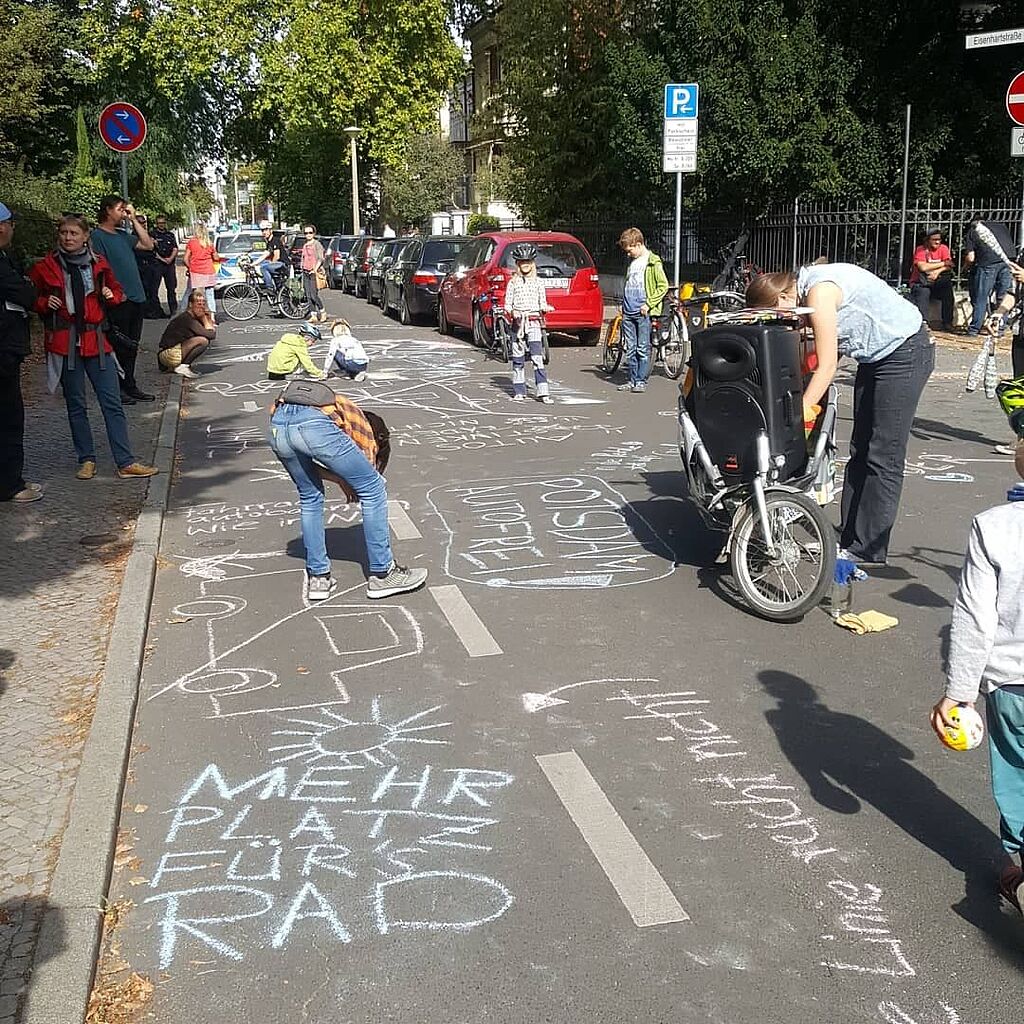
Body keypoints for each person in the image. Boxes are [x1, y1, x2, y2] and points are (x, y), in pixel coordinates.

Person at [746, 263, 933, 566]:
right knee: (861, 449)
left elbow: (828, 365)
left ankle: (868, 549)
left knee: (883, 453)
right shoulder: (805, 293)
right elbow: (815, 350)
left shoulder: (819, 292)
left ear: (782, 298)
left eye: (776, 316)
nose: (780, 323)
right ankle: (849, 536)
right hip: (876, 357)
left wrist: (800, 413)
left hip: (904, 352)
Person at [930, 421, 1024, 915]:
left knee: (1017, 774)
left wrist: (959, 692)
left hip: (1013, 685)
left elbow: (974, 618)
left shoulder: (995, 526)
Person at [268, 378, 428, 601]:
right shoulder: (361, 424)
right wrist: (350, 480)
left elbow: (307, 461)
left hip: (278, 423)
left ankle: (319, 578)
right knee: (373, 489)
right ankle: (383, 574)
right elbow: (368, 470)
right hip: (314, 425)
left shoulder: (337, 409)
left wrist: (337, 478)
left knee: (310, 496)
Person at [28, 214, 158, 481]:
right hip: (66, 344)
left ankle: (125, 461)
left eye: (74, 233)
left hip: (96, 342)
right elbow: (33, 297)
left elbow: (117, 291)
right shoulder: (46, 267)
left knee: (112, 402)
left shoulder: (98, 264)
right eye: (64, 233)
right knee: (76, 404)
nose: (68, 238)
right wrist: (44, 303)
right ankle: (86, 459)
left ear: (86, 236)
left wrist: (113, 296)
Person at [89, 195, 156, 403]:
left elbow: (148, 245)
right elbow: (97, 269)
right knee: (119, 346)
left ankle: (130, 384)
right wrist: (108, 291)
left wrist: (134, 219)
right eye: (119, 209)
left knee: (132, 345)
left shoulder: (121, 235)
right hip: (118, 300)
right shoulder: (97, 237)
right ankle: (117, 387)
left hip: (136, 297)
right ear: (108, 210)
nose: (122, 213)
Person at [0, 202, 41, 503]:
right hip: (3, 347)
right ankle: (10, 485)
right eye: (11, 224)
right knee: (9, 415)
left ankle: (13, 479)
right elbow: (27, 293)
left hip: (7, 344)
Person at [616, 227, 669, 394]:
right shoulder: (632, 263)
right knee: (630, 348)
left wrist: (649, 304)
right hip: (628, 309)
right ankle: (632, 380)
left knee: (642, 348)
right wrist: (623, 303)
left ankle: (640, 380)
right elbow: (629, 284)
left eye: (630, 250)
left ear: (638, 244)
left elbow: (663, 285)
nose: (628, 253)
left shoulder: (652, 262)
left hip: (642, 311)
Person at [503, 243, 553, 403]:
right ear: (517, 264)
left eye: (528, 262)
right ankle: (519, 391)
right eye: (522, 262)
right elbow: (507, 304)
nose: (525, 265)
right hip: (518, 325)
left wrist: (545, 308)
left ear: (533, 263)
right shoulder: (513, 282)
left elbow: (542, 302)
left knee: (537, 358)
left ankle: (543, 392)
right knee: (518, 359)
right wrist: (513, 312)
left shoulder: (538, 282)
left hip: (533, 323)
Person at [965, 218, 1016, 336]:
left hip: (988, 263)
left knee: (981, 296)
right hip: (1008, 260)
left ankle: (974, 329)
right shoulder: (1001, 226)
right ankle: (1000, 327)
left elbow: (971, 258)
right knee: (1004, 296)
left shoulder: (973, 231)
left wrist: (966, 267)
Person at [158, 290, 216, 378]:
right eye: (198, 304)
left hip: (174, 352)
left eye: (203, 304)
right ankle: (183, 366)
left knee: (202, 339)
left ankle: (182, 366)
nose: (202, 307)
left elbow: (211, 333)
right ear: (190, 304)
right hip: (167, 355)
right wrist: (204, 319)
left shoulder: (195, 317)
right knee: (203, 341)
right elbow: (211, 335)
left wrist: (207, 318)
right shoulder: (188, 319)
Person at [908, 228, 954, 330]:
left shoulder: (943, 248)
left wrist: (937, 272)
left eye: (939, 239)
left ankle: (947, 322)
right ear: (927, 240)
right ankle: (923, 323)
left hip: (936, 281)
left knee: (947, 290)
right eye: (934, 239)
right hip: (920, 282)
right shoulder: (920, 250)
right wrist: (943, 263)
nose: (937, 242)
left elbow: (950, 265)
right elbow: (922, 267)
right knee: (923, 292)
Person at [179, 223, 218, 314]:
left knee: (189, 292)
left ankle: (183, 312)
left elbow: (185, 259)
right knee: (210, 294)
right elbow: (216, 258)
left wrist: (190, 267)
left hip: (195, 272)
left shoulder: (192, 242)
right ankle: (212, 317)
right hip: (208, 271)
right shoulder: (209, 243)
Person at [150, 215, 179, 314]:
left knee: (171, 288)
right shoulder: (152, 234)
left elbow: (175, 248)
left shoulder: (170, 235)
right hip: (158, 264)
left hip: (169, 264)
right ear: (156, 224)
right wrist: (162, 259)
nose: (161, 225)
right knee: (154, 288)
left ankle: (173, 310)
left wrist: (170, 259)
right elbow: (152, 250)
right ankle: (157, 311)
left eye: (163, 223)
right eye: (159, 223)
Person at [300, 224, 326, 323]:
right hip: (305, 271)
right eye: (306, 233)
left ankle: (323, 312)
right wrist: (302, 268)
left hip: (314, 272)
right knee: (308, 295)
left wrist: (315, 269)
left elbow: (320, 258)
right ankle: (313, 315)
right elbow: (303, 258)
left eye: (310, 232)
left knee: (314, 295)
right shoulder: (305, 245)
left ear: (314, 233)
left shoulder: (317, 244)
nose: (308, 235)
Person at [258, 220, 286, 292]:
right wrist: (253, 264)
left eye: (266, 230)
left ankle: (270, 288)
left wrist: (271, 264)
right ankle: (271, 283)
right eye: (262, 230)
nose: (264, 232)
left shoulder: (275, 240)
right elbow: (265, 255)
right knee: (262, 264)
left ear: (271, 230)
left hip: (283, 264)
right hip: (278, 263)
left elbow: (277, 256)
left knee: (264, 268)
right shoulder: (269, 242)